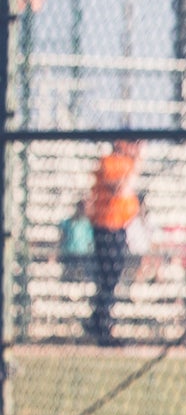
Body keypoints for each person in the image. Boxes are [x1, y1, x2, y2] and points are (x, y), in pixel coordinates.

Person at [83, 140, 142, 346]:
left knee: (111, 278)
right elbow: (118, 188)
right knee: (107, 277)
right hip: (106, 227)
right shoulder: (110, 162)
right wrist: (133, 167)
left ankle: (99, 321)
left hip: (119, 228)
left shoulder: (127, 163)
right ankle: (101, 324)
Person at [58, 200, 94, 283]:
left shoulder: (88, 224)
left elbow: (90, 241)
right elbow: (62, 237)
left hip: (83, 254)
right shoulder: (68, 222)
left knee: (82, 275)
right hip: (70, 252)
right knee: (69, 274)